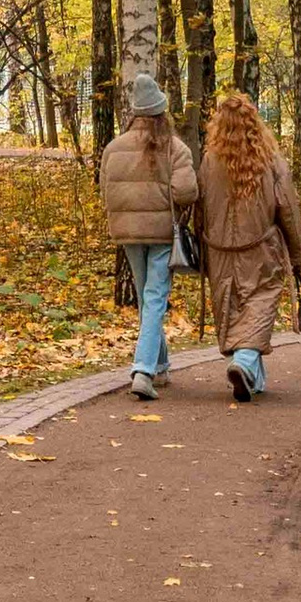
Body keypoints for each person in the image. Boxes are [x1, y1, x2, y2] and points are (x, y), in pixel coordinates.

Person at [198, 89, 301, 402]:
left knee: (231, 307)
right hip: (261, 248)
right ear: (253, 123)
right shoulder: (270, 160)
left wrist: (202, 247)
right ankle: (245, 362)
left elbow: (200, 208)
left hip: (219, 250)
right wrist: (296, 254)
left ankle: (251, 375)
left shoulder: (209, 161)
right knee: (259, 303)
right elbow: (287, 207)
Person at [98, 74, 198, 402]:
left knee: (146, 298)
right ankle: (143, 370)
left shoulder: (114, 148)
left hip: (127, 233)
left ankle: (161, 364)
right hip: (161, 234)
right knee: (155, 297)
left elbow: (105, 191)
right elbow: (187, 191)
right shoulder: (174, 147)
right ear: (160, 113)